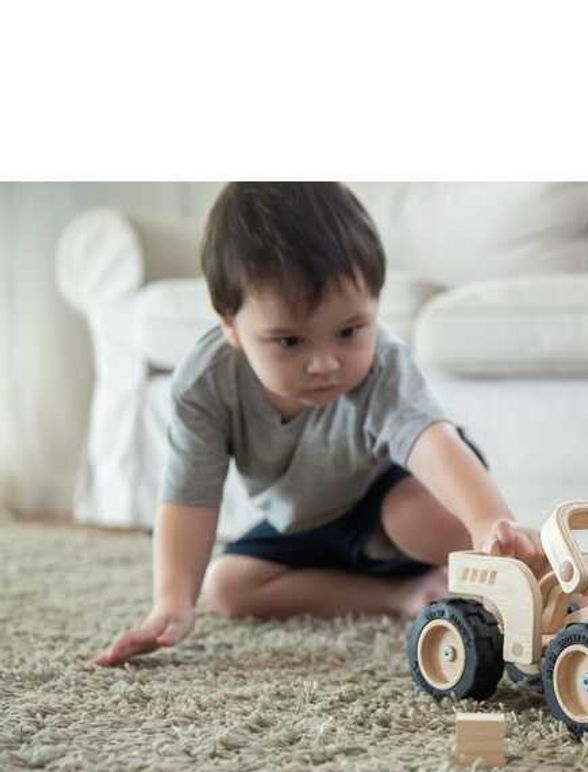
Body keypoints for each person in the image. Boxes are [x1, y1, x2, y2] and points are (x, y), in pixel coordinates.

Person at [94, 182, 542, 667]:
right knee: (224, 587)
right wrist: (171, 601)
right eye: (290, 342)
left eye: (350, 332)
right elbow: (188, 499)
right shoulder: (204, 384)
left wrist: (488, 522)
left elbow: (431, 443)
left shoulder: (382, 366)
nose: (326, 363)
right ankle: (404, 595)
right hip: (306, 517)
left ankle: (527, 584)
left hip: (393, 484)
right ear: (230, 324)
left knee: (417, 517)